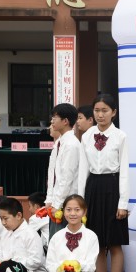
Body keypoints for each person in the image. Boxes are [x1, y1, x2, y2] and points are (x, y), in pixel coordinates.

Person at [78, 93, 129, 272]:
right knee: (96, 243)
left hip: (113, 187)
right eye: (97, 110)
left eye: (105, 110)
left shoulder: (120, 136)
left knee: (115, 243)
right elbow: (82, 170)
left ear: (114, 112)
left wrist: (123, 202)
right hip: (93, 188)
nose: (100, 115)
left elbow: (124, 170)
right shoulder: (86, 136)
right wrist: (80, 202)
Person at [45, 103, 81, 240]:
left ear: (65, 121)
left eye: (55, 118)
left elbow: (66, 178)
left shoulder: (71, 144)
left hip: (67, 203)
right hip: (56, 202)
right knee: (54, 241)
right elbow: (52, 174)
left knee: (63, 241)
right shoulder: (59, 142)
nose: (52, 121)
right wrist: (49, 199)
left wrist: (57, 203)